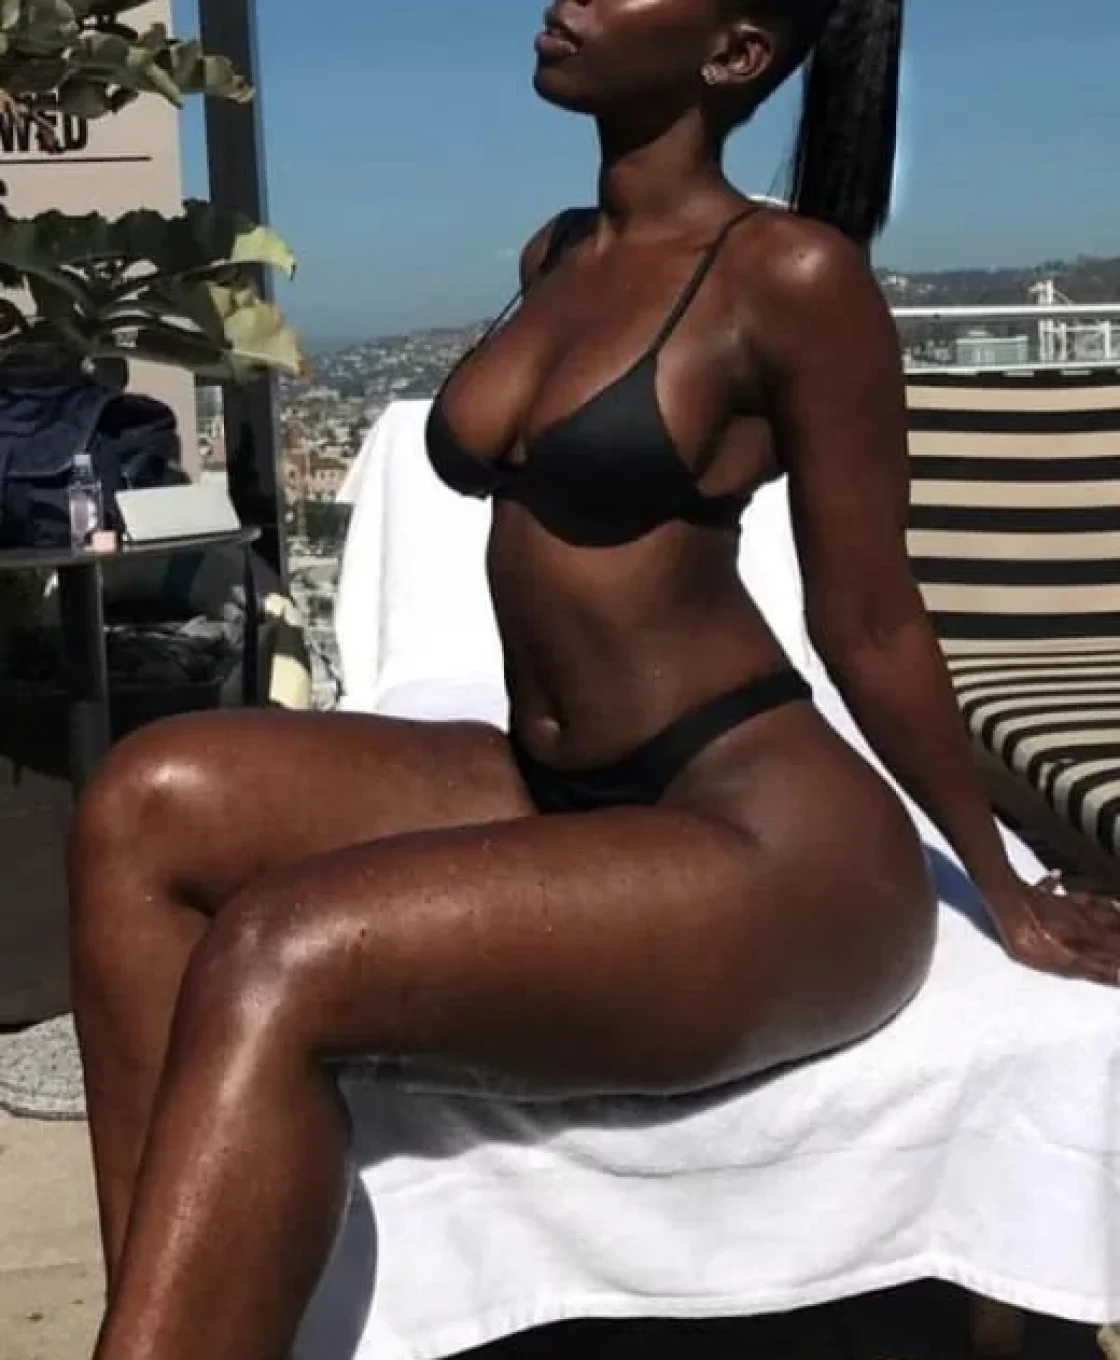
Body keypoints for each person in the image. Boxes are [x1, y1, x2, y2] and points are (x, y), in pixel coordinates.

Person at [70, 2, 1120, 1357]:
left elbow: (870, 621)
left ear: (734, 54)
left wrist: (1005, 888)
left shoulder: (793, 277)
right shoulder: (559, 253)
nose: (567, 0)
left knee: (282, 949)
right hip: (555, 778)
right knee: (142, 802)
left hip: (768, 837)